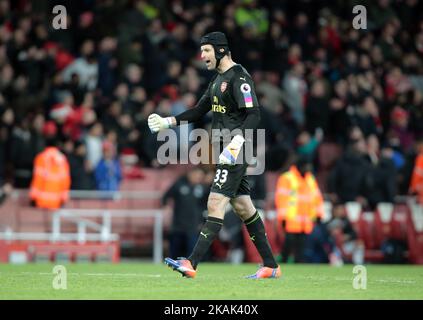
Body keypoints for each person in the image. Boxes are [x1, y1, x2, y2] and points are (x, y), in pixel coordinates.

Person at [148, 32, 280, 279]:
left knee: (215, 203)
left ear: (220, 50)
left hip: (236, 149)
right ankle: (271, 265)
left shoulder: (239, 77)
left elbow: (254, 114)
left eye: (206, 50)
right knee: (243, 206)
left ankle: (192, 263)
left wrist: (237, 142)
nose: (202, 56)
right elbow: (199, 111)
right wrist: (168, 121)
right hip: (227, 149)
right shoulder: (218, 79)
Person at [275, 158, 323, 263]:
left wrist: (319, 214)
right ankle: (282, 262)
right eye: (307, 166)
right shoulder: (287, 178)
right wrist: (282, 218)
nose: (308, 168)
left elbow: (317, 198)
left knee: (302, 247)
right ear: (300, 166)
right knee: (288, 244)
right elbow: (281, 199)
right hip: (291, 220)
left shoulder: (310, 179)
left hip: (305, 221)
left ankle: (297, 264)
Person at [162, 167, 206, 259]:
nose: (198, 178)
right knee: (175, 249)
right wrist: (166, 206)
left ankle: (190, 264)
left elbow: (205, 206)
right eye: (197, 175)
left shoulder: (202, 188)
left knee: (191, 249)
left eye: (200, 176)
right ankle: (172, 263)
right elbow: (166, 196)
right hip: (178, 224)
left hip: (194, 224)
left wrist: (202, 221)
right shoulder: (179, 185)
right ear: (190, 174)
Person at [29, 123, 71, 210]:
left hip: (41, 201)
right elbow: (65, 180)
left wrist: (33, 198)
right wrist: (64, 198)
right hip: (57, 202)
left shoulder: (41, 157)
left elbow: (38, 179)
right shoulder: (62, 158)